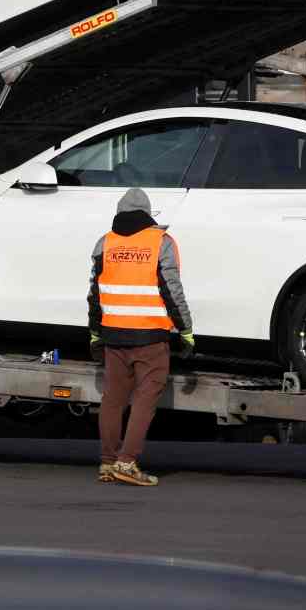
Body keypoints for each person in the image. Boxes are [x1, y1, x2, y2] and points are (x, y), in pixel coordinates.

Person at [88, 187, 192, 488]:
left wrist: (95, 334)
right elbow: (172, 290)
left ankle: (108, 462)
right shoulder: (161, 242)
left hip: (113, 335)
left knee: (112, 399)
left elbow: (94, 294)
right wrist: (185, 330)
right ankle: (127, 462)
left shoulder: (105, 243)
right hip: (151, 337)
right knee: (145, 399)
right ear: (147, 214)